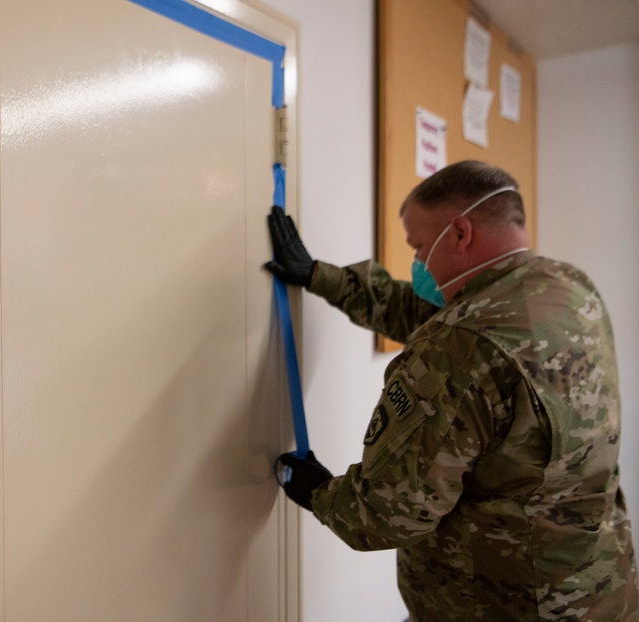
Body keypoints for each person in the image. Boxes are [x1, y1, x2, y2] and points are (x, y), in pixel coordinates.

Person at [266, 160, 639, 621]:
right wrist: (321, 276)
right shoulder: (567, 287)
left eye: (420, 246)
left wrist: (319, 491)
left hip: (505, 601)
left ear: (460, 233)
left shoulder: (462, 343)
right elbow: (433, 313)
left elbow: (386, 513)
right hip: (599, 588)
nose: (418, 262)